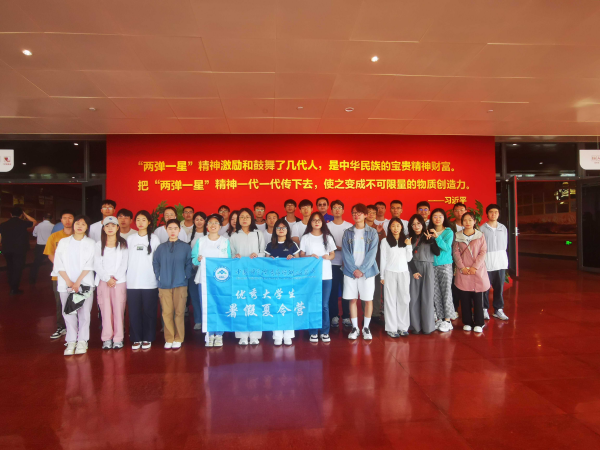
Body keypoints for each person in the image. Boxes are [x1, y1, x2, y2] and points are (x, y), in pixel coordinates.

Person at [53, 215, 95, 355]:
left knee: (84, 313)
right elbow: (58, 262)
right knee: (68, 312)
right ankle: (71, 341)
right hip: (65, 283)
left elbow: (90, 263)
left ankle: (82, 341)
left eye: (83, 224)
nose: (79, 226)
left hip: (85, 283)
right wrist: (69, 281)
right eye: (77, 223)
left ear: (87, 227)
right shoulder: (63, 242)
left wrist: (77, 282)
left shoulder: (91, 243)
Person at [191, 213, 230, 347]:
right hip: (204, 279)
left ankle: (219, 334)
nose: (213, 225)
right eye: (211, 223)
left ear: (220, 226)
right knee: (206, 307)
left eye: (216, 223)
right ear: (207, 226)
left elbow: (228, 260)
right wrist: (198, 259)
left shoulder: (225, 241)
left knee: (220, 305)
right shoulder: (201, 241)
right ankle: (209, 333)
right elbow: (194, 259)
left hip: (221, 280)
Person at [153, 219, 193, 349]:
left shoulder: (185, 247)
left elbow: (189, 263)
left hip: (180, 284)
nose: (172, 231)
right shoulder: (161, 247)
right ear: (166, 229)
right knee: (167, 312)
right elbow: (155, 262)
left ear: (179, 230)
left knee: (180, 312)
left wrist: (186, 276)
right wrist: (159, 276)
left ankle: (179, 338)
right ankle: (169, 338)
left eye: (175, 228)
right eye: (170, 228)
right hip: (164, 284)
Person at [342, 203, 379, 340]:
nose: (356, 215)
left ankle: (366, 328)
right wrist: (354, 270)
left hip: (367, 272)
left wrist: (362, 270)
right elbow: (345, 253)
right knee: (352, 299)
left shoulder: (372, 232)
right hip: (350, 272)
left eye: (359, 213)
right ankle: (355, 328)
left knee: (368, 299)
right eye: (354, 213)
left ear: (365, 215)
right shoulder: (347, 232)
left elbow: (372, 254)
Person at [230, 208, 266, 345]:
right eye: (242, 217)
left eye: (247, 217)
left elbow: (263, 252)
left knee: (255, 302)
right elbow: (231, 254)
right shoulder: (234, 236)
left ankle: (255, 334)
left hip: (256, 273)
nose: (244, 219)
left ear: (252, 219)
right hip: (240, 274)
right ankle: (242, 335)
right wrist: (235, 256)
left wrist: (258, 255)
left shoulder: (258, 233)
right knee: (240, 302)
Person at [126, 211, 160, 350]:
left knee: (149, 311)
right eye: (138, 220)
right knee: (133, 312)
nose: (140, 222)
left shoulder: (155, 238)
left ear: (149, 222)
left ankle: (148, 337)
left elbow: (157, 260)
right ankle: (136, 338)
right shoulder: (130, 238)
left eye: (144, 219)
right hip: (132, 281)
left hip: (150, 281)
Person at [300, 212, 335, 343]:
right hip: (311, 275)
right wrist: (309, 256)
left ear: (322, 222)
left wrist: (328, 257)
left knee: (324, 305)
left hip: (326, 274)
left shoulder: (328, 237)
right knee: (312, 303)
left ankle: (325, 331)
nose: (316, 222)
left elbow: (332, 255)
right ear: (310, 222)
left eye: (319, 220)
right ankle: (313, 331)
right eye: (314, 220)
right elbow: (301, 255)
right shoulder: (306, 237)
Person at [94, 216, 128, 350]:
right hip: (103, 281)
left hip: (119, 282)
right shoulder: (99, 244)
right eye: (107, 226)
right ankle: (107, 338)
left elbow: (124, 263)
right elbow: (97, 264)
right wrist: (107, 278)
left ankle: (118, 338)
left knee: (119, 310)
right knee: (105, 310)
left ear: (117, 228)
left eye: (113, 226)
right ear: (103, 228)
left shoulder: (123, 243)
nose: (110, 228)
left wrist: (115, 278)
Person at [453, 212, 490, 333]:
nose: (467, 222)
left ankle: (479, 322)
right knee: (465, 298)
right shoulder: (457, 235)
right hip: (463, 271)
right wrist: (462, 267)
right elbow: (456, 252)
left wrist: (475, 267)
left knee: (478, 298)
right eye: (465, 220)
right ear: (462, 222)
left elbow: (483, 252)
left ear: (474, 221)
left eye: (470, 220)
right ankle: (467, 322)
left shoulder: (480, 235)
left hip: (477, 271)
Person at [266, 218, 300, 345]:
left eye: (283, 228)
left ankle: (288, 335)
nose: (281, 230)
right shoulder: (270, 245)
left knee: (288, 306)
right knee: (275, 306)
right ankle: (277, 335)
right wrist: (269, 260)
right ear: (275, 230)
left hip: (289, 281)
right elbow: (265, 263)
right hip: (274, 281)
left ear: (287, 230)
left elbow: (299, 263)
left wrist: (293, 259)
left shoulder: (292, 245)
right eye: (278, 228)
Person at [44, 209, 75, 339]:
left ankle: (76, 328)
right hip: (59, 275)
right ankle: (61, 327)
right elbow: (50, 254)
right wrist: (61, 266)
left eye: (70, 218)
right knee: (60, 302)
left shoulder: (79, 235)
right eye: (64, 218)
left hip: (76, 275)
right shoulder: (54, 236)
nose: (67, 221)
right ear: (61, 220)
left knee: (77, 302)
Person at [380, 218, 412, 337]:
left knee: (404, 300)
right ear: (389, 227)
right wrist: (382, 276)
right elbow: (383, 259)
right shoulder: (385, 241)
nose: (395, 228)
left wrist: (409, 246)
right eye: (393, 226)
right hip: (390, 273)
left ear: (402, 227)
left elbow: (409, 258)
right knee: (390, 301)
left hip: (403, 273)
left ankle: (403, 327)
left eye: (398, 226)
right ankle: (391, 328)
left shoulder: (406, 240)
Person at [407, 214, 439, 335]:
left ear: (423, 224)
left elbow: (437, 252)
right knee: (413, 297)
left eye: (418, 224)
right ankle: (415, 326)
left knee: (427, 297)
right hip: (413, 268)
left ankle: (428, 327)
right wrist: (414, 270)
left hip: (428, 267)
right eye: (413, 224)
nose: (416, 226)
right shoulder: (408, 238)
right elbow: (407, 256)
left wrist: (432, 241)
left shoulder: (429, 236)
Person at [429, 208, 456, 332]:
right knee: (435, 293)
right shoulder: (429, 230)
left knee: (446, 292)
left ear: (444, 218)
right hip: (432, 265)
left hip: (445, 265)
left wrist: (437, 237)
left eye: (440, 216)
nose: (437, 219)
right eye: (435, 216)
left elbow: (446, 247)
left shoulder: (448, 232)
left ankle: (448, 320)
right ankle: (440, 318)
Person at [481, 204, 509, 321]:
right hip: (487, 262)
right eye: (491, 212)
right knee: (485, 288)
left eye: (496, 212)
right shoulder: (482, 228)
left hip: (500, 262)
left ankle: (498, 309)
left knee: (499, 287)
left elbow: (505, 244)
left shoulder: (503, 228)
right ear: (487, 214)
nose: (493, 214)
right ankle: (484, 309)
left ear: (498, 214)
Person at [327, 200, 352, 328]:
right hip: (331, 263)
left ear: (343, 210)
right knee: (332, 292)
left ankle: (346, 316)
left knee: (347, 290)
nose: (337, 210)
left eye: (339, 207)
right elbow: (325, 245)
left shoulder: (349, 226)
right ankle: (334, 316)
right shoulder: (327, 226)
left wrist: (339, 248)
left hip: (347, 264)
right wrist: (341, 248)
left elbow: (353, 246)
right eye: (335, 208)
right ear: (331, 211)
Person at [0, 206, 37, 295]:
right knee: (18, 268)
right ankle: (14, 288)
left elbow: (0, 237)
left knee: (10, 267)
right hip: (20, 249)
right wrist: (25, 214)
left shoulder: (3, 224)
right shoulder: (23, 223)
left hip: (6, 249)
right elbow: (34, 222)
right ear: (21, 215)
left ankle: (11, 284)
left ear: (10, 214)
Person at [365, 204, 386, 323]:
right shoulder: (359, 227)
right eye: (369, 212)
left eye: (374, 212)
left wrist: (379, 233)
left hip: (377, 263)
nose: (372, 214)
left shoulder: (379, 228)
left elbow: (385, 245)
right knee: (365, 291)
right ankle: (366, 315)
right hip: (363, 265)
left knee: (377, 290)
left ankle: (376, 314)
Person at [189, 211, 207, 330]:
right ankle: (198, 320)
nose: (199, 222)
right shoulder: (189, 235)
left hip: (206, 270)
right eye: (197, 219)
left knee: (206, 296)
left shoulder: (210, 234)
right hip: (193, 268)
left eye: (201, 219)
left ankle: (206, 320)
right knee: (195, 296)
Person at [30, 212, 53, 285]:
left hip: (39, 246)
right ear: (51, 219)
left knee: (36, 263)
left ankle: (32, 279)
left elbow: (34, 234)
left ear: (43, 218)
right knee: (52, 263)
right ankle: (54, 279)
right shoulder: (53, 226)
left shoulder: (38, 226)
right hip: (49, 246)